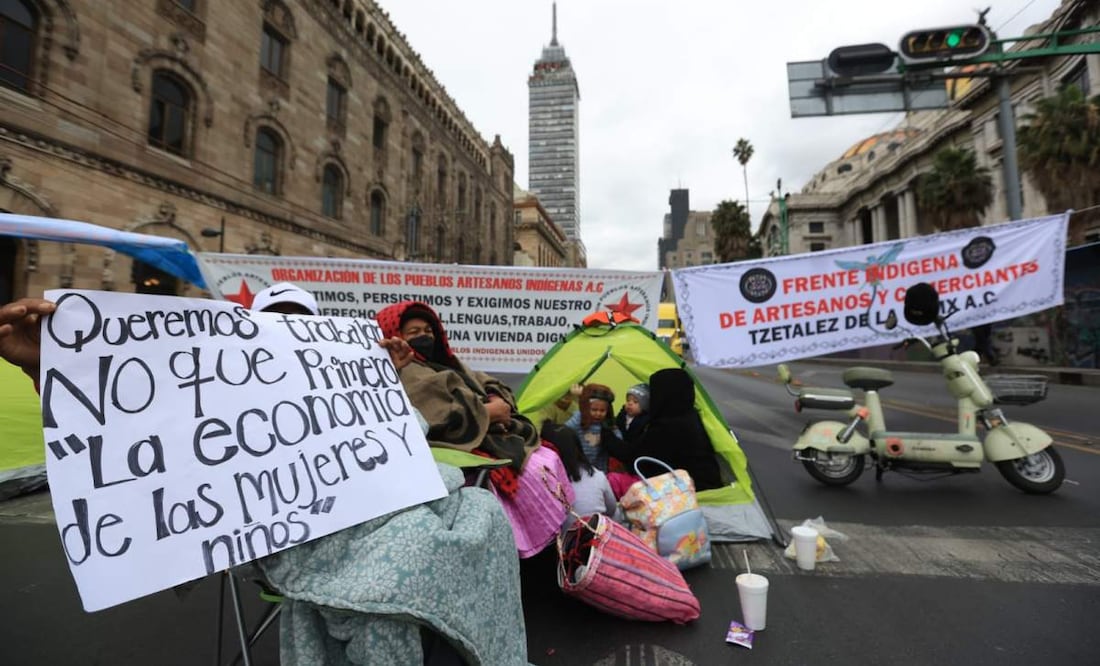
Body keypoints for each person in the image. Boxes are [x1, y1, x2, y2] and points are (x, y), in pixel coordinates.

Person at [1, 294, 529, 665]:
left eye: (299, 329)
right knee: (393, 596)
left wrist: (379, 383)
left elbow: (406, 437)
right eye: (273, 328)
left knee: (480, 518)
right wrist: (54, 368)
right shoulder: (217, 399)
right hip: (305, 541)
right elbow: (137, 428)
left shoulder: (343, 389)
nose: (284, 343)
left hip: (394, 514)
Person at [376, 300, 573, 559]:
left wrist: (495, 400)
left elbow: (487, 382)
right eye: (414, 332)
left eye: (429, 330)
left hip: (489, 431)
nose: (424, 337)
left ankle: (552, 539)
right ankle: (528, 550)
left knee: (547, 456)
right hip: (454, 449)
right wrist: (488, 413)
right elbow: (436, 416)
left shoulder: (448, 362)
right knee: (530, 473)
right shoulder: (404, 372)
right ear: (395, 336)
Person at [604, 368, 724, 492]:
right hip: (707, 486)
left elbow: (634, 456)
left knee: (612, 481)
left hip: (689, 493)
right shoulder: (690, 416)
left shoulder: (668, 426)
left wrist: (605, 434)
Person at [541, 423, 621, 528]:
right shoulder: (597, 476)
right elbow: (612, 509)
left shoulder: (545, 482)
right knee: (617, 513)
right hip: (595, 533)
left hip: (569, 536)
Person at [563, 383, 621, 473]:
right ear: (586, 408)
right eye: (594, 410)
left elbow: (618, 439)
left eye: (602, 410)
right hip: (580, 467)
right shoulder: (579, 420)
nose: (598, 413)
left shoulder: (607, 424)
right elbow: (565, 429)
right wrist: (581, 400)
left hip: (600, 469)